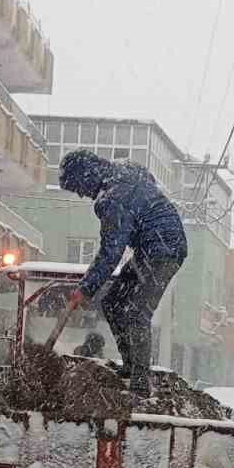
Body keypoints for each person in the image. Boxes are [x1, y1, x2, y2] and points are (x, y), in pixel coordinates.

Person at [59, 149, 188, 397]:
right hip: (150, 248)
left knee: (137, 311)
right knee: (112, 302)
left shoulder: (113, 199)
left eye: (77, 187)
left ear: (86, 176)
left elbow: (111, 252)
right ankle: (130, 366)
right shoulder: (124, 171)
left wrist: (85, 289)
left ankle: (140, 381)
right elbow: (146, 181)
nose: (80, 194)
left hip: (164, 250)